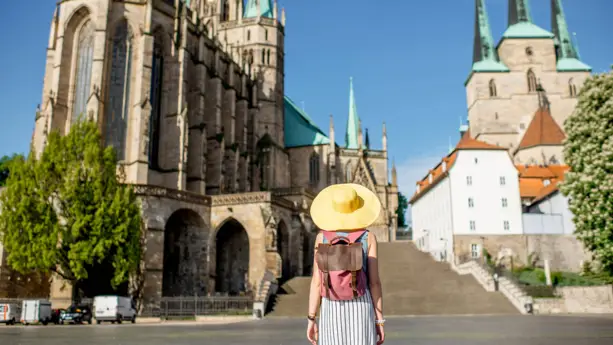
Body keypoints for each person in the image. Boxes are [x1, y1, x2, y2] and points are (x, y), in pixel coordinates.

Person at [306, 183, 385, 345]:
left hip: (331, 306)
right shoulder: (368, 237)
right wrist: (379, 321)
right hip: (361, 304)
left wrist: (311, 318)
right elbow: (374, 282)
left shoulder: (322, 238)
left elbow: (316, 282)